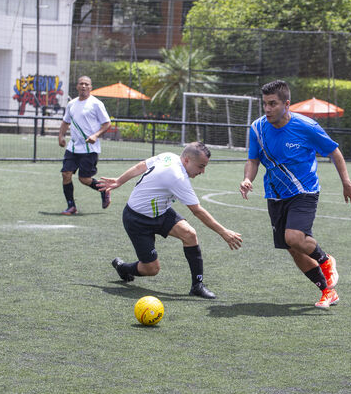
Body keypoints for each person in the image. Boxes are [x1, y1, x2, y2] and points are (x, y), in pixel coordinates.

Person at [239, 80, 351, 309]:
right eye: (264, 104)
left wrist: (346, 183)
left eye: (272, 104)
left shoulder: (307, 126)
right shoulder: (257, 128)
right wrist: (248, 178)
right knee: (293, 249)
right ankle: (327, 292)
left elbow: (334, 151)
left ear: (286, 104)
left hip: (304, 191)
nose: (267, 109)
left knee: (294, 237)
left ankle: (325, 260)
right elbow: (253, 159)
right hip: (275, 195)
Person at [100, 142, 242, 299]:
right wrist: (224, 232)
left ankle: (197, 285)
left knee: (190, 234)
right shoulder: (177, 176)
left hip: (160, 212)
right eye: (201, 166)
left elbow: (142, 165)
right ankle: (123, 267)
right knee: (151, 269)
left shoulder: (169, 156)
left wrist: (119, 181)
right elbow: (197, 211)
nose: (202, 171)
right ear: (187, 160)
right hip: (137, 220)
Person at [58, 76, 112, 214]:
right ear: (77, 86)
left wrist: (95, 135)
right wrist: (61, 136)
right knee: (66, 174)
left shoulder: (96, 104)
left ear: (90, 87)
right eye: (81, 83)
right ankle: (71, 206)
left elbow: (107, 124)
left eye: (86, 84)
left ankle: (104, 189)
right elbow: (65, 122)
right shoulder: (71, 104)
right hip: (73, 147)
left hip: (89, 148)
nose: (83, 86)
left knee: (84, 179)